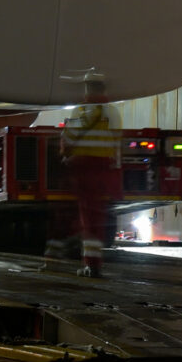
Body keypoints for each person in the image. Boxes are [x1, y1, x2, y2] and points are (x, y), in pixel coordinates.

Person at [61, 76, 120, 277]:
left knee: (87, 218)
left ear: (87, 90)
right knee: (98, 216)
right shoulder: (112, 111)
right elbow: (117, 137)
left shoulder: (81, 110)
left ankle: (90, 264)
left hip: (83, 168)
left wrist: (64, 154)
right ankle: (95, 264)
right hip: (104, 168)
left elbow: (69, 136)